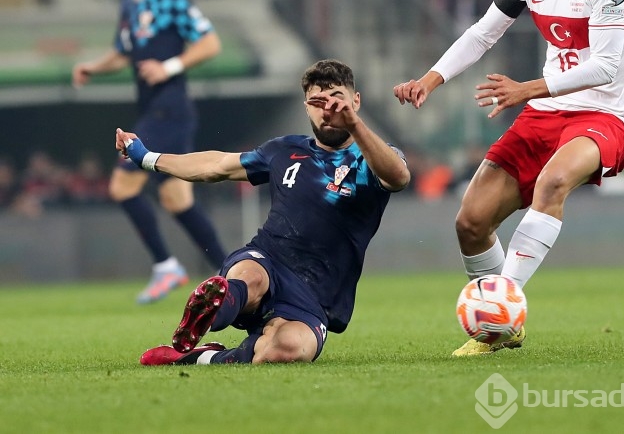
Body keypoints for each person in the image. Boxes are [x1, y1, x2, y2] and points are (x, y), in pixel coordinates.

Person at [393, 0, 624, 356]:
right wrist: (431, 78)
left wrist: (528, 88)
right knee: (470, 220)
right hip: (547, 109)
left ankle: (497, 319)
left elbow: (607, 66)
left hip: (605, 114)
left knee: (552, 183)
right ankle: (504, 324)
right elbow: (485, 32)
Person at [116, 59, 410, 366]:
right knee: (249, 279)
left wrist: (354, 125)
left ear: (356, 101)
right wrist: (146, 157)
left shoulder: (373, 156)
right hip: (267, 260)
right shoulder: (285, 150)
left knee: (286, 351)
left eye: (337, 97)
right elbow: (215, 166)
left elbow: (398, 177)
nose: (329, 108)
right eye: (317, 101)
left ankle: (205, 357)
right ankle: (217, 303)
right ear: (306, 107)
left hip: (316, 297)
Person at [72, 0, 226, 304]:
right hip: (158, 110)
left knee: (121, 186)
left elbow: (210, 42)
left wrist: (169, 66)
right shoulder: (129, 7)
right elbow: (124, 53)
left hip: (169, 110)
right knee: (178, 200)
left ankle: (166, 266)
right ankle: (232, 274)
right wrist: (93, 67)